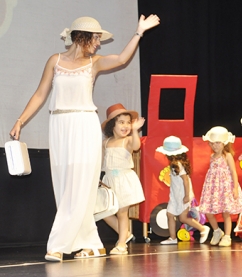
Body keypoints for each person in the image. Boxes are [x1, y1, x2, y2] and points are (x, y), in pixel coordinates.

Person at [9, 15, 160, 261]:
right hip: (59, 124)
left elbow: (122, 58)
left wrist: (139, 31)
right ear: (82, 37)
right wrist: (20, 121)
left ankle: (57, 245)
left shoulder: (95, 63)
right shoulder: (54, 61)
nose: (99, 43)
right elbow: (40, 94)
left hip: (85, 124)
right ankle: (91, 242)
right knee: (65, 185)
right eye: (97, 38)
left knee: (80, 186)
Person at [100, 103, 145, 254]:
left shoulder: (127, 141)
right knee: (103, 211)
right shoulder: (105, 142)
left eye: (128, 122)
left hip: (124, 179)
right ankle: (124, 234)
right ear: (112, 125)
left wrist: (135, 130)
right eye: (121, 122)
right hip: (110, 181)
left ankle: (121, 245)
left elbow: (137, 146)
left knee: (122, 212)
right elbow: (101, 162)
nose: (125, 126)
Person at [156, 136, 211, 245]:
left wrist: (186, 195)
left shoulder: (178, 164)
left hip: (182, 195)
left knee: (183, 217)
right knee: (170, 214)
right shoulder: (174, 164)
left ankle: (203, 229)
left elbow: (186, 180)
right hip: (175, 196)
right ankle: (172, 238)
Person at [199, 126, 242, 247]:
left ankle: (227, 236)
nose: (215, 146)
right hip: (213, 188)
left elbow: (233, 172)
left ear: (224, 143)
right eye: (212, 143)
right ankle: (216, 231)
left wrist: (235, 188)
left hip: (225, 188)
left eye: (218, 143)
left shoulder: (227, 156)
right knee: (208, 211)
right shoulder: (211, 157)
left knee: (226, 212)